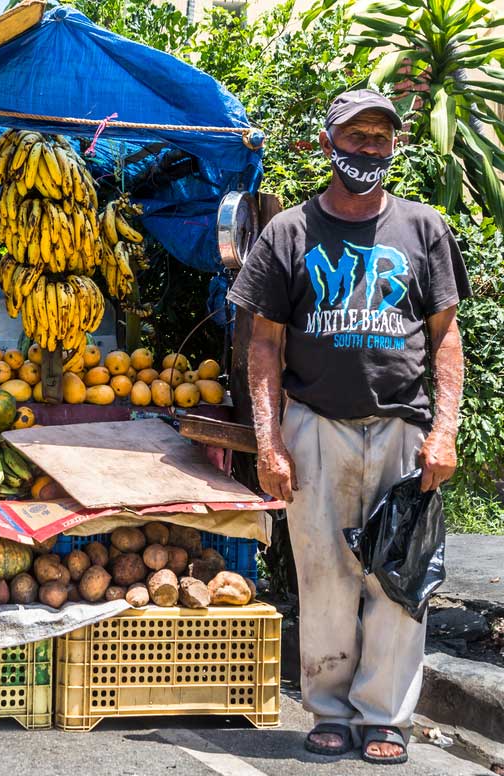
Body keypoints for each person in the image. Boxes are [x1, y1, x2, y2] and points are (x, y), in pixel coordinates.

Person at [227, 89, 469, 766]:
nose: (367, 149)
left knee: (400, 575)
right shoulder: (290, 233)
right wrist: (269, 441)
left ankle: (384, 716)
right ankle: (329, 710)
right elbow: (265, 344)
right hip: (316, 427)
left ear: (394, 147)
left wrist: (444, 430)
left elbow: (446, 340)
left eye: (379, 138)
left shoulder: (425, 229)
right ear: (328, 143)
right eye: (354, 137)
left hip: (401, 430)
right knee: (325, 574)